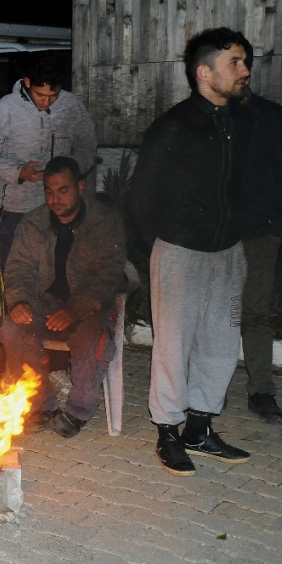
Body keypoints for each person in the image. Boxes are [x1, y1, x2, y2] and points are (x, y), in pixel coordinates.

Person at [128, 27, 252, 476]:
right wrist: (161, 244)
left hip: (228, 252)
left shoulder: (241, 121)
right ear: (205, 72)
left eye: (244, 61)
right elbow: (140, 196)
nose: (245, 70)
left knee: (220, 344)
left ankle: (199, 429)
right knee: (173, 346)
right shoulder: (174, 126)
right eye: (234, 62)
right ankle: (167, 431)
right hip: (180, 252)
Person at [0, 157, 126, 438]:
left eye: (63, 190)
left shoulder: (103, 222)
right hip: (46, 304)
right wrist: (19, 301)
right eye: (49, 191)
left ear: (80, 187)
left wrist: (77, 308)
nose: (55, 199)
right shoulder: (33, 224)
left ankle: (78, 411)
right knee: (12, 329)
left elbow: (109, 273)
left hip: (90, 307)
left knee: (90, 337)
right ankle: (42, 405)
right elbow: (19, 268)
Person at [0, 51, 97, 272]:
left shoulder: (71, 105)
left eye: (54, 95)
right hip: (18, 208)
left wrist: (68, 173)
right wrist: (17, 172)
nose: (46, 101)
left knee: (60, 273)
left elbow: (88, 148)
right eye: (40, 94)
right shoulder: (7, 107)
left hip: (63, 208)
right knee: (16, 272)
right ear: (28, 82)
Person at [238, 54, 282, 423]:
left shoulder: (271, 117)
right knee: (211, 316)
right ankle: (203, 394)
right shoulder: (203, 117)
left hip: (261, 234)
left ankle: (262, 391)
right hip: (213, 237)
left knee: (256, 312)